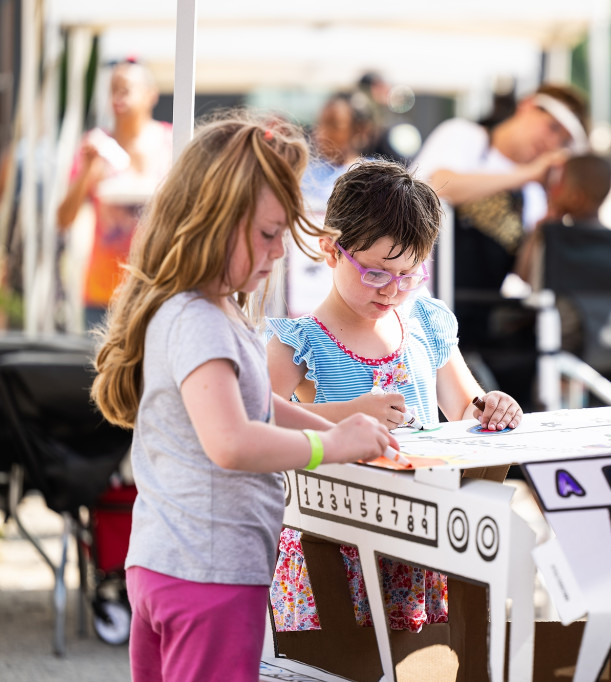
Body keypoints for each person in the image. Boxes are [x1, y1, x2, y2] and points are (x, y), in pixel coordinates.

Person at [90, 111, 397, 682]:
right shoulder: (202, 320)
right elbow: (231, 442)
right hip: (211, 574)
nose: (279, 252)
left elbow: (254, 404)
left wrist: (337, 433)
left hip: (164, 565)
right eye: (267, 233)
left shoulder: (197, 309)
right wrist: (324, 449)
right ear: (212, 220)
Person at [264, 159, 523, 633]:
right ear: (330, 250)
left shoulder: (423, 320)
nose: (392, 291)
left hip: (420, 536)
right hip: (334, 541)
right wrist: (352, 415)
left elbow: (466, 404)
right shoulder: (300, 341)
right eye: (377, 274)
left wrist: (492, 406)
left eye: (409, 275)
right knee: (344, 658)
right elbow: (255, 421)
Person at [411, 83, 590, 406]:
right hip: (417, 305)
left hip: (475, 322)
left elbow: (521, 275)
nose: (551, 143)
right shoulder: (465, 136)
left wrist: (546, 224)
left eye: (563, 141)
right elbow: (437, 184)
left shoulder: (532, 194)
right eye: (552, 127)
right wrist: (525, 174)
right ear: (527, 106)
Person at [57, 58, 174, 330]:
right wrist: (86, 171)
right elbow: (63, 220)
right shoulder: (96, 147)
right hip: (103, 295)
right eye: (113, 90)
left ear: (150, 94)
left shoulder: (170, 143)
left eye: (125, 89)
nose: (117, 98)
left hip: (157, 289)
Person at [286, 93, 374, 316]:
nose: (321, 133)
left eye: (334, 124)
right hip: (301, 289)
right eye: (320, 123)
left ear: (359, 130)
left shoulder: (375, 177)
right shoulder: (301, 173)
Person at [514, 152, 611, 288]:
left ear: (576, 198)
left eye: (558, 183)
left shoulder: (563, 242)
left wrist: (539, 233)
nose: (550, 190)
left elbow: (525, 276)